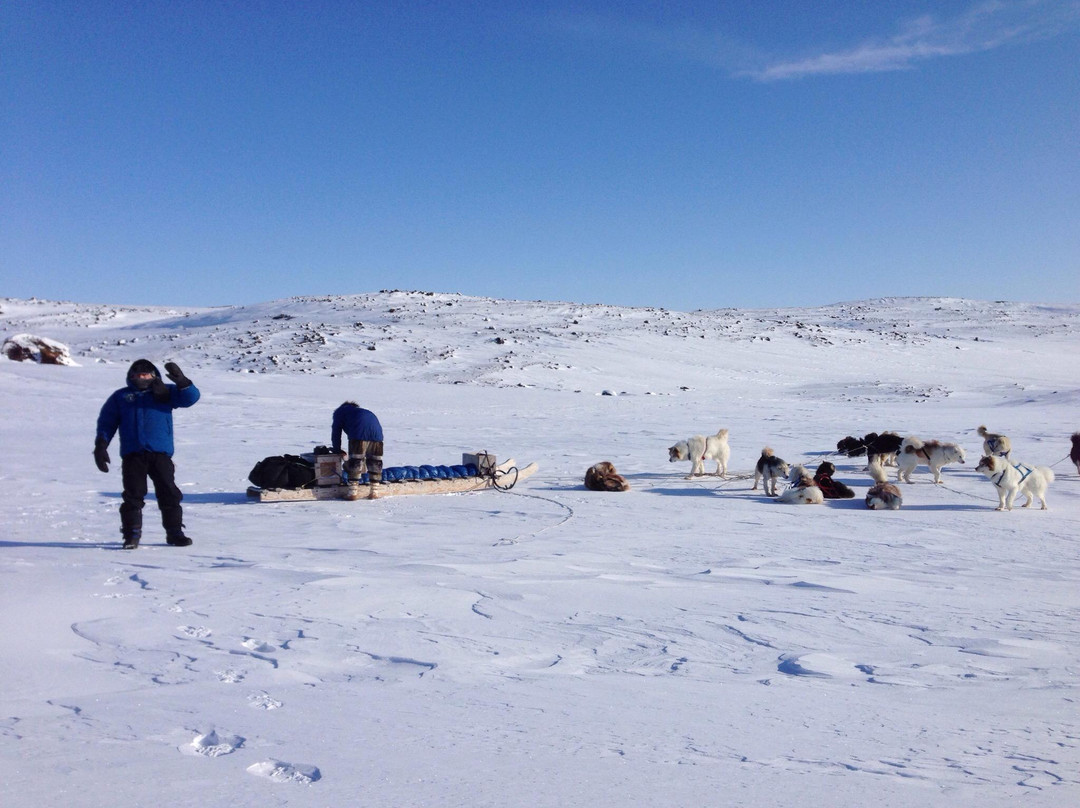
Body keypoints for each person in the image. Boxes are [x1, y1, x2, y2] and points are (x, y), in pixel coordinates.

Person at [94, 359, 201, 549]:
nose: (141, 378)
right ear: (130, 377)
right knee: (133, 496)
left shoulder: (165, 392)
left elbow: (191, 398)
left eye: (145, 375)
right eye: (137, 375)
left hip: (160, 454)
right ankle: (131, 535)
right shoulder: (121, 396)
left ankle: (175, 533)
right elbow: (107, 422)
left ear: (154, 376)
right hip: (133, 455)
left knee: (169, 494)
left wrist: (182, 382)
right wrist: (101, 446)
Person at [331, 401, 383, 484]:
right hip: (377, 434)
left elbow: (336, 433)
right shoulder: (359, 411)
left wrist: (336, 449)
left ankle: (353, 491)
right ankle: (374, 490)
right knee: (375, 462)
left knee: (355, 462)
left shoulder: (339, 412)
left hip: (358, 434)